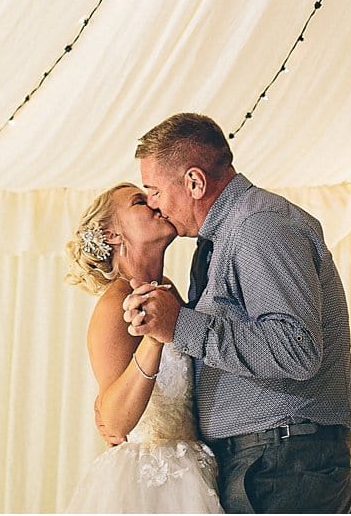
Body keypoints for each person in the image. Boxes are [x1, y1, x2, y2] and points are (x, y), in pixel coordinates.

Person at [122, 113, 351, 514]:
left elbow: (296, 350)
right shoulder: (224, 236)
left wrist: (179, 324)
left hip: (285, 463)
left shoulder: (259, 226)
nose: (154, 205)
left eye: (155, 190)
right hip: (267, 459)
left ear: (195, 182)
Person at [63, 183, 224, 513]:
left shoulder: (170, 293)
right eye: (140, 201)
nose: (155, 204)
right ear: (111, 235)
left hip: (200, 470)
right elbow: (115, 421)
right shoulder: (113, 306)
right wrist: (153, 339)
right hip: (148, 485)